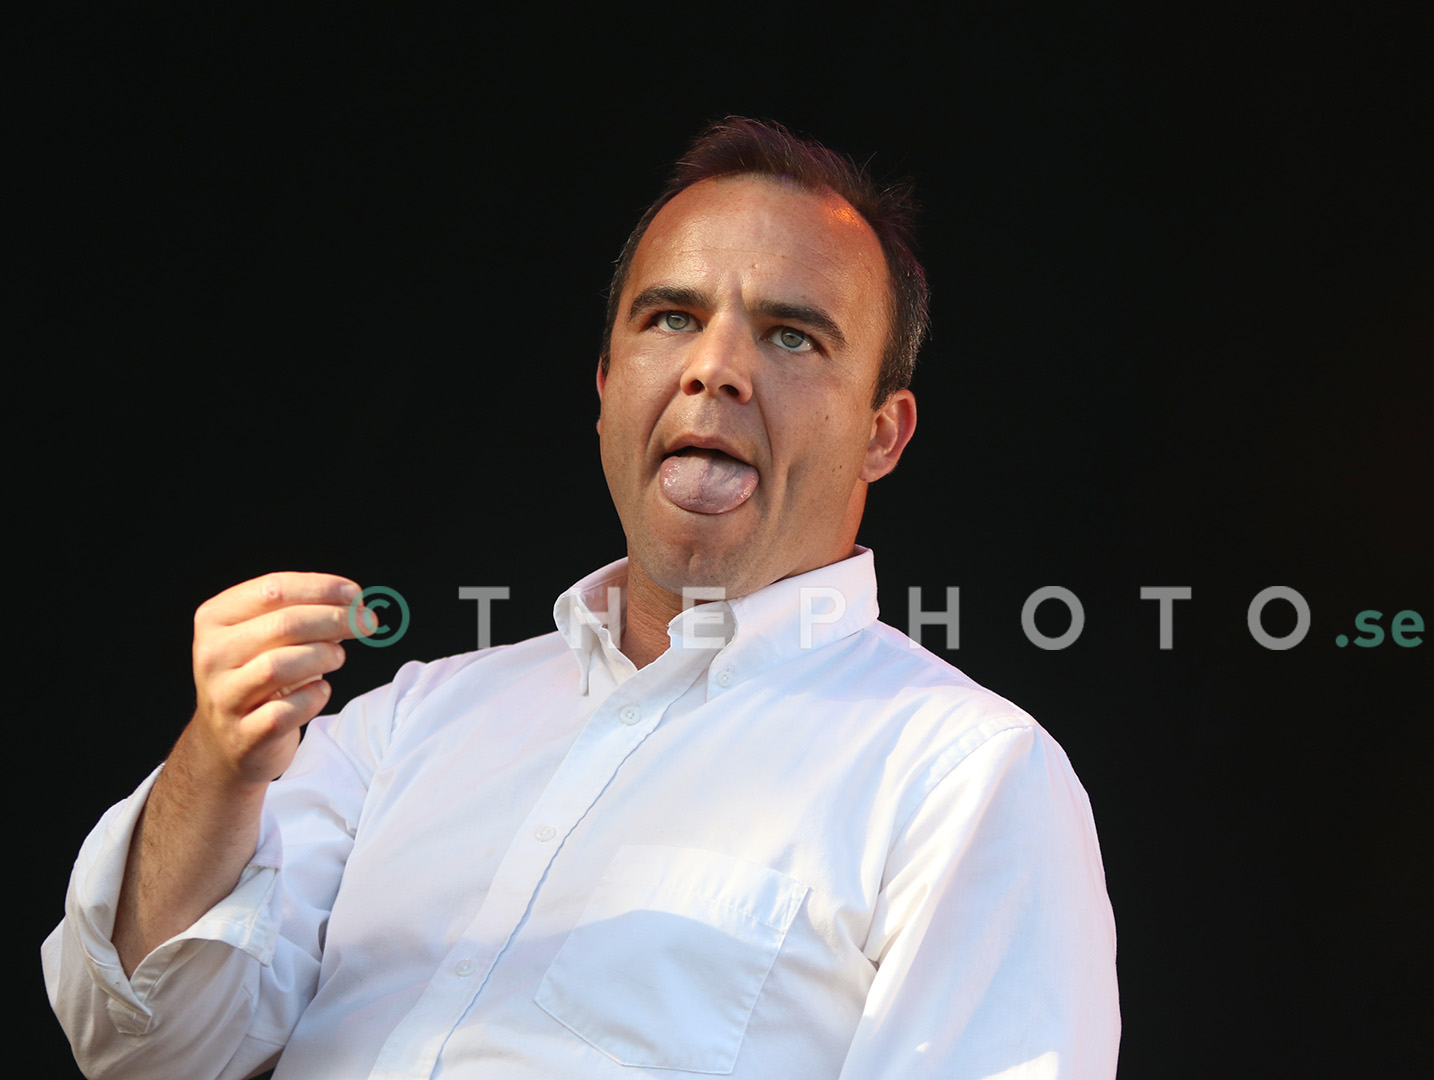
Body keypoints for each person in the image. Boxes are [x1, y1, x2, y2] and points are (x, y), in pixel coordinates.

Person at [44, 118, 1120, 1078]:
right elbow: (144, 1048)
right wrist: (216, 765)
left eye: (792, 335)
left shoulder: (964, 774)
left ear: (883, 433)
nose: (715, 369)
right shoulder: (413, 721)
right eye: (671, 318)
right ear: (607, 388)